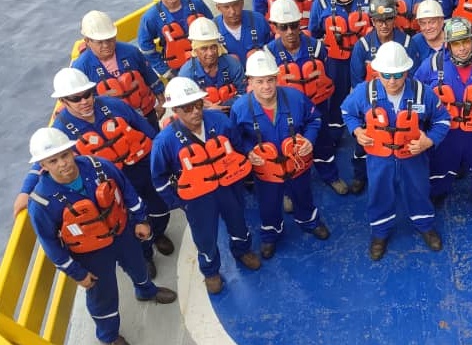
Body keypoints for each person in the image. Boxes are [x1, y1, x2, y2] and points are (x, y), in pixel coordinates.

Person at [26, 127, 177, 345]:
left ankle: (146, 291)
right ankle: (109, 336)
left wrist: (140, 220)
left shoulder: (98, 166)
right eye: (53, 161)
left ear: (72, 151)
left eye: (64, 155)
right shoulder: (41, 203)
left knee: (138, 266)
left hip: (122, 234)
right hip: (90, 254)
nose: (63, 164)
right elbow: (51, 245)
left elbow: (127, 191)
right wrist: (77, 273)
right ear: (43, 165)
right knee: (102, 295)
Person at [15, 68, 173, 277]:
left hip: (140, 169)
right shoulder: (60, 130)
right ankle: (145, 254)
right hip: (110, 183)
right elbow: (41, 164)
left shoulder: (114, 105)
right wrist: (25, 191)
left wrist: (164, 159)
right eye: (75, 98)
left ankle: (158, 233)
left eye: (87, 94)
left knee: (160, 209)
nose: (84, 101)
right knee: (128, 222)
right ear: (63, 101)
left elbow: (145, 129)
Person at [150, 77, 261, 294]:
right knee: (205, 237)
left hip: (228, 187)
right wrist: (179, 202)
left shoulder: (220, 122)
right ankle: (211, 271)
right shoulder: (165, 142)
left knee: (238, 222)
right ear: (175, 110)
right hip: (197, 199)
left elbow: (238, 147)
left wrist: (239, 178)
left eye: (198, 104)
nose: (195, 111)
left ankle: (242, 250)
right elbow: (159, 178)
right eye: (187, 108)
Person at [342, 42, 450, 260]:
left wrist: (429, 141)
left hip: (414, 157)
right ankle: (380, 233)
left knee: (419, 191)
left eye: (398, 75)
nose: (392, 81)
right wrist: (356, 131)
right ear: (377, 72)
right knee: (379, 193)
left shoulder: (423, 93)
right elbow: (347, 111)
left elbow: (443, 119)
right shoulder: (364, 92)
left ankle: (425, 225)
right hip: (378, 159)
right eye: (386, 75)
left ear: (407, 71)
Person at [230, 50, 330, 259]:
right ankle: (271, 234)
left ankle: (309, 221)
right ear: (250, 82)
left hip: (297, 164)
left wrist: (309, 140)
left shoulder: (295, 98)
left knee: (303, 195)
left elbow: (315, 119)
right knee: (268, 205)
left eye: (270, 80)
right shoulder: (240, 108)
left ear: (277, 78)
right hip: (266, 170)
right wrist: (248, 151)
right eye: (259, 81)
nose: (266, 86)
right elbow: (236, 138)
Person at [413, 17, 472, 223]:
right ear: (448, 45)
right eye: (456, 43)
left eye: (466, 41)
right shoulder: (432, 64)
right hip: (445, 133)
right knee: (440, 164)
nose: (462, 48)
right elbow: (416, 94)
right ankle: (438, 191)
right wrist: (420, 126)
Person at [266, 0, 348, 195]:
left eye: (294, 25)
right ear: (275, 27)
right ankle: (289, 190)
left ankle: (331, 176)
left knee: (323, 142)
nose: (290, 32)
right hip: (285, 111)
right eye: (283, 27)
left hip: (316, 106)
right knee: (287, 149)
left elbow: (328, 77)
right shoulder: (268, 53)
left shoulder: (317, 48)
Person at [349, 0, 422, 193]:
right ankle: (360, 175)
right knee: (362, 145)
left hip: (401, 103)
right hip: (371, 104)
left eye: (388, 19)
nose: (384, 24)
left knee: (402, 141)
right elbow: (357, 81)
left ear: (395, 18)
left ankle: (401, 175)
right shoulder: (362, 47)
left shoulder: (408, 44)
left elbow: (414, 78)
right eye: (378, 20)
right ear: (372, 20)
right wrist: (368, 109)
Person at [309, 0, 372, 143]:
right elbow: (314, 32)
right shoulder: (321, 2)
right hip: (336, 60)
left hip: (365, 58)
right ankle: (336, 137)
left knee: (368, 94)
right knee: (336, 99)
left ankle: (368, 134)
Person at [72, 10, 165, 129]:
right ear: (87, 41)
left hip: (145, 113)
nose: (106, 45)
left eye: (109, 39)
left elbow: (149, 75)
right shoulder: (81, 68)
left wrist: (161, 102)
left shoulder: (131, 52)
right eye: (100, 42)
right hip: (113, 123)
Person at [138, 0, 213, 80]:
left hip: (208, 62)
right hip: (178, 70)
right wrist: (166, 71)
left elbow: (214, 26)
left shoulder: (196, 2)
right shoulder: (150, 17)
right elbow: (146, 49)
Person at [178, 17, 246, 113]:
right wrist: (205, 108)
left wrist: (223, 106)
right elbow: (184, 105)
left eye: (213, 47)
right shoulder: (186, 74)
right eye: (204, 49)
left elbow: (245, 92)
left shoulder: (233, 64)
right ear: (195, 50)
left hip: (235, 111)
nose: (210, 53)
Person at [212, 0, 272, 67]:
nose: (232, 11)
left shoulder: (258, 20)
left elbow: (273, 49)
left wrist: (263, 52)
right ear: (218, 8)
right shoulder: (212, 29)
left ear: (242, 3)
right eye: (226, 7)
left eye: (235, 5)